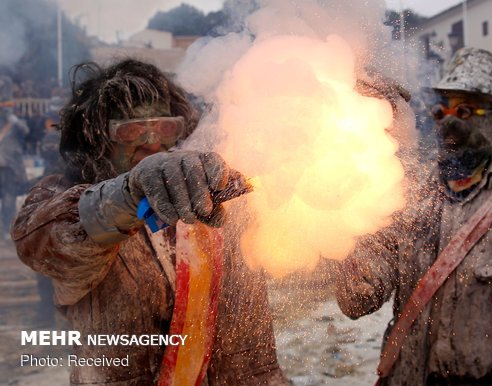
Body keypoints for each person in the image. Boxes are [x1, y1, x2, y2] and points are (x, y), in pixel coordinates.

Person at [11, 59, 289, 385]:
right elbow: (44, 240)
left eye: (165, 127)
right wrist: (129, 192)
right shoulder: (64, 195)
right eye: (131, 130)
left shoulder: (216, 190)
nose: (152, 142)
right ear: (98, 139)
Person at [335, 47, 492, 385]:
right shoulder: (403, 197)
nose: (451, 121)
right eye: (442, 109)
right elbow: (358, 299)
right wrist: (349, 211)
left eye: (467, 109)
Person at [0, 75, 29, 241]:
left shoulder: (14, 123)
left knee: (9, 200)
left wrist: (15, 121)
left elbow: (25, 131)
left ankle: (5, 230)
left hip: (9, 168)